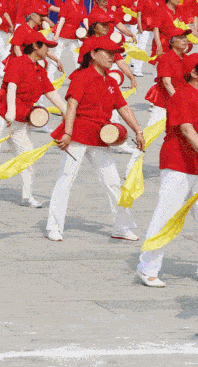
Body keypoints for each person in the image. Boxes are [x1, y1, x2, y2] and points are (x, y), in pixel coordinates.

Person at [136, 53, 198, 287]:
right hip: (178, 165)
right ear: (194, 72)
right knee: (166, 215)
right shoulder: (182, 95)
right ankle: (147, 267)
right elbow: (187, 130)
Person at [45, 35, 145, 242]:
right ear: (92, 54)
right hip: (79, 134)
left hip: (101, 136)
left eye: (113, 53)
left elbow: (123, 107)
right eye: (108, 53)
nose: (112, 57)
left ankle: (122, 226)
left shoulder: (110, 80)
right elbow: (71, 106)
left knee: (113, 182)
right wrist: (68, 133)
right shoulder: (82, 76)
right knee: (66, 179)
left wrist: (138, 130)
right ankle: (54, 226)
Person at [0, 31, 67, 209]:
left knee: (27, 155)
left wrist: (67, 112)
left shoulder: (40, 69)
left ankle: (27, 196)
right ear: (35, 46)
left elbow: (52, 94)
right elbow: (11, 87)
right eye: (46, 46)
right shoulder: (18, 62)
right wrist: (10, 112)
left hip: (21, 119)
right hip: (2, 115)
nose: (48, 50)